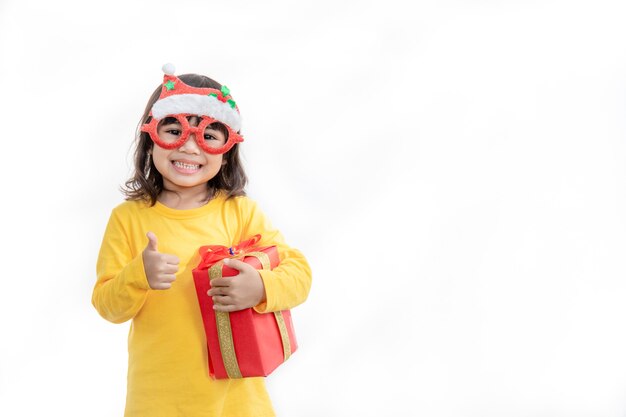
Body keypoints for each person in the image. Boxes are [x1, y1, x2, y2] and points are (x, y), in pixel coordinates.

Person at [92, 63, 312, 417]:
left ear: (227, 150)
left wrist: (260, 287)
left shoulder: (240, 213)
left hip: (238, 403)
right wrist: (139, 275)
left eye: (208, 135)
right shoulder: (128, 219)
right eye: (174, 130)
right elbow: (107, 306)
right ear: (151, 141)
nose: (190, 147)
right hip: (158, 400)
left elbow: (299, 273)